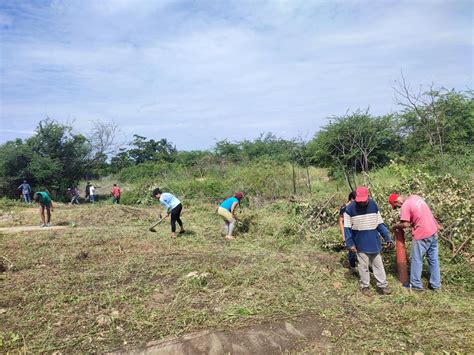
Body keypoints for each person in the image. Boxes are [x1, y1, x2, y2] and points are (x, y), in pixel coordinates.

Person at [344, 186, 394, 296]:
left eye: (364, 201)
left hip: (374, 241)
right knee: (363, 266)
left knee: (378, 264)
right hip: (360, 242)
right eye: (359, 201)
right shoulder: (349, 209)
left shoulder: (373, 205)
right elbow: (347, 228)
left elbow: (380, 223)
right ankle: (364, 286)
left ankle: (383, 285)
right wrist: (350, 243)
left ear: (368, 197)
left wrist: (387, 237)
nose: (362, 203)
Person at [389, 193, 441, 292]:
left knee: (416, 259)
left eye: (396, 206)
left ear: (397, 201)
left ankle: (416, 285)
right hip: (433, 231)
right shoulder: (415, 197)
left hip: (422, 233)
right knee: (433, 259)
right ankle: (436, 285)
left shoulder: (405, 205)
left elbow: (405, 224)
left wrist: (394, 227)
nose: (398, 208)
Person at [339, 191, 357, 272]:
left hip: (356, 230)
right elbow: (341, 222)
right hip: (349, 231)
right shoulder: (344, 208)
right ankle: (352, 267)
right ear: (352, 199)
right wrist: (344, 236)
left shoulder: (356, 206)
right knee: (351, 249)